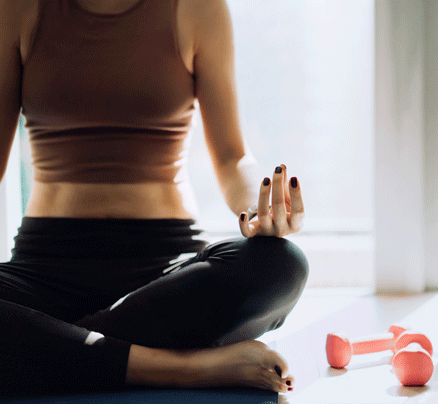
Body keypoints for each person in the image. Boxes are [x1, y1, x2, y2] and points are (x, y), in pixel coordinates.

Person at [0, 0, 309, 397]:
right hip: (43, 269)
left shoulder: (198, 9)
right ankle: (178, 367)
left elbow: (233, 158)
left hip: (162, 273)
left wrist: (260, 208)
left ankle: (54, 342)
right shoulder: (17, 8)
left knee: (282, 266)